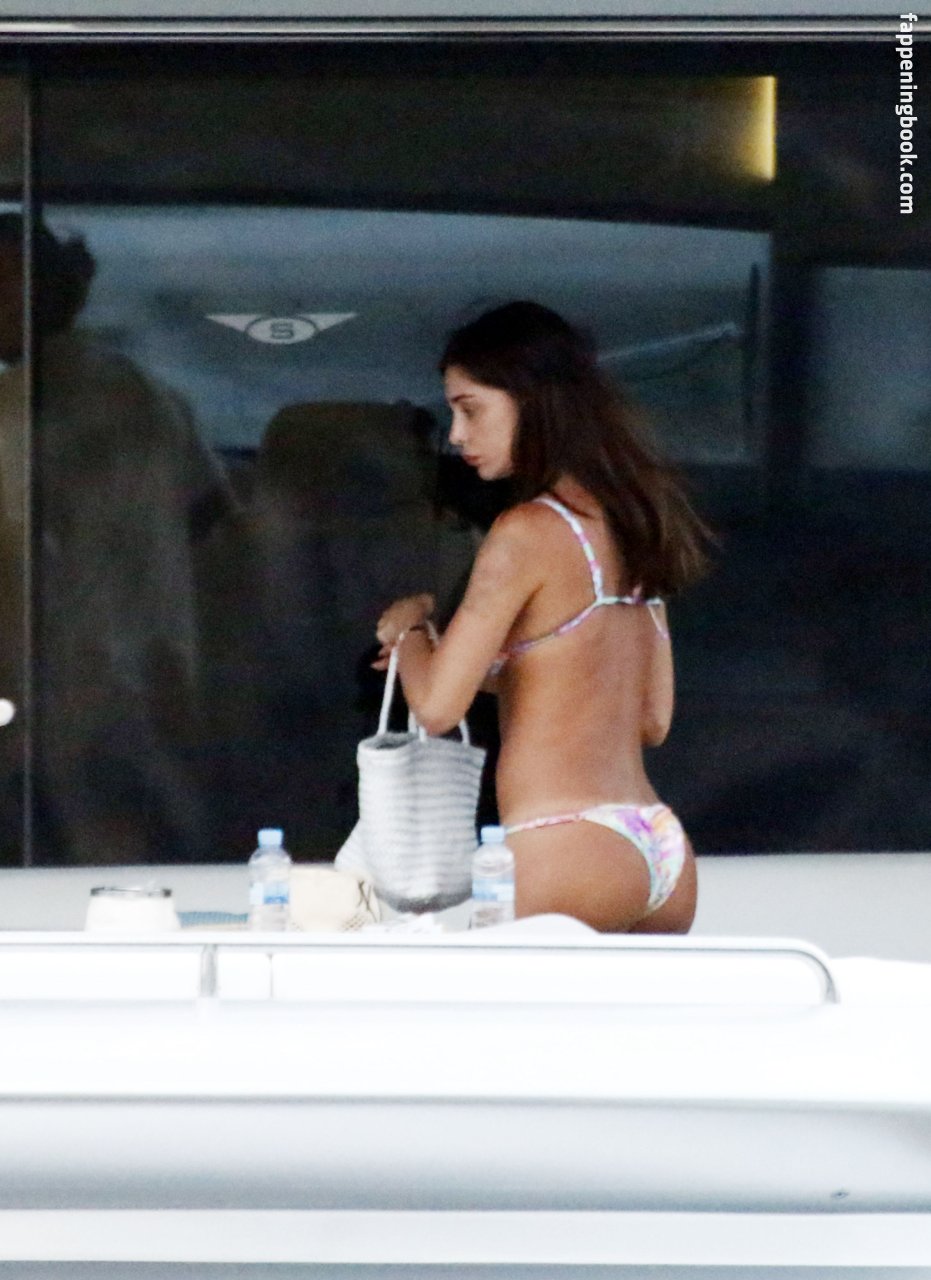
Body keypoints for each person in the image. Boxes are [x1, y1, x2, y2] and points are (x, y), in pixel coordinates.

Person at [374, 301, 711, 932]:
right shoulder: (630, 521)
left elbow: (437, 707)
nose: (456, 435)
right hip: (659, 847)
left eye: (471, 409)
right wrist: (484, 667)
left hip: (564, 841)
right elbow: (653, 717)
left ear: (531, 400)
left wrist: (411, 628)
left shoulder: (526, 530)